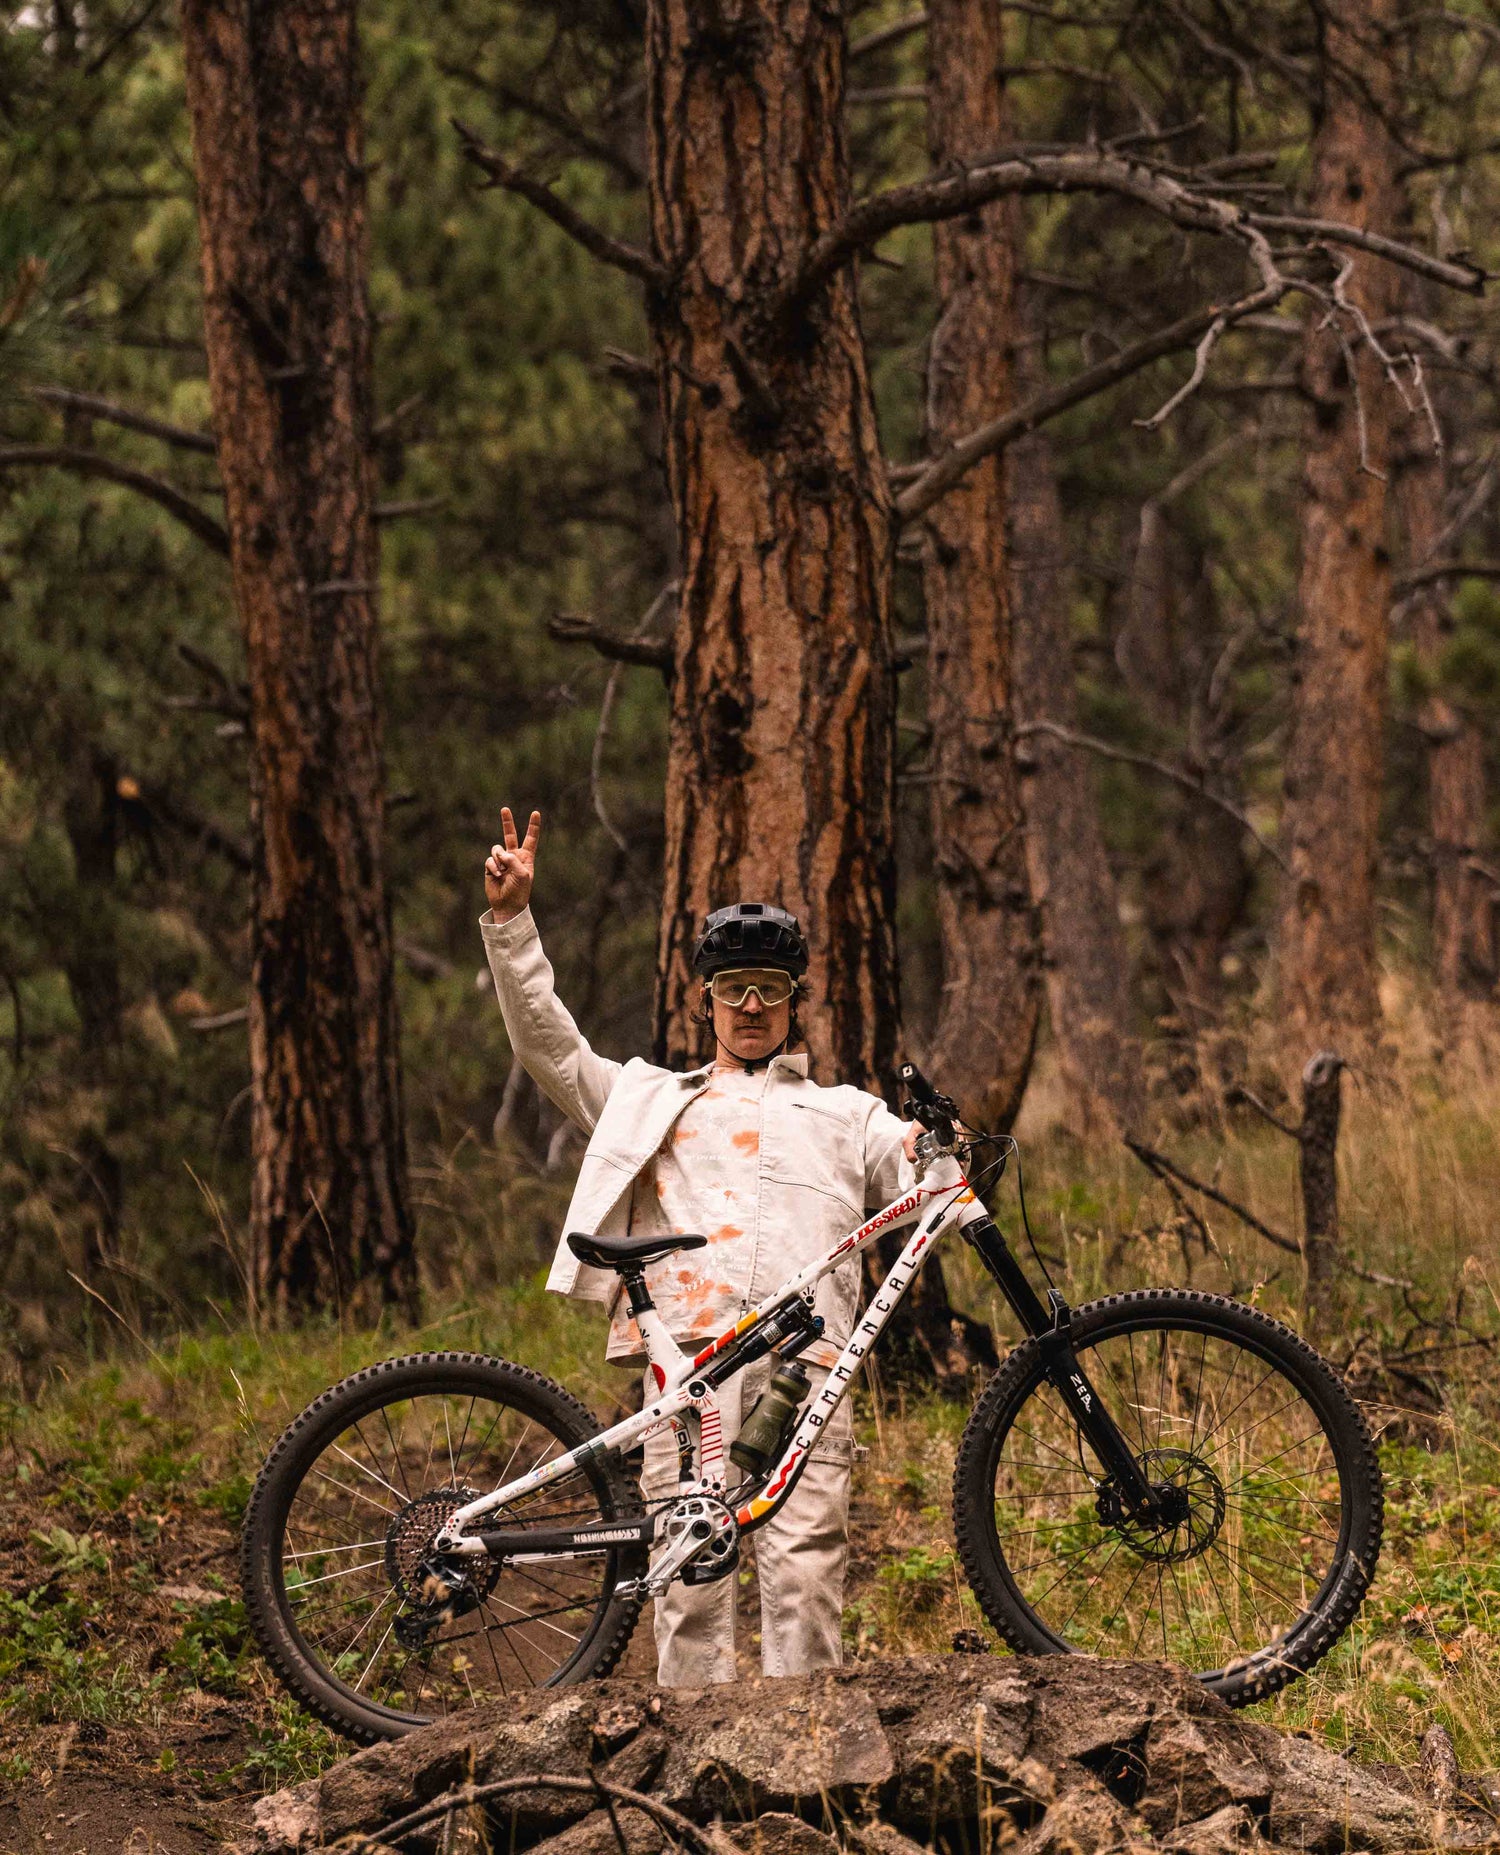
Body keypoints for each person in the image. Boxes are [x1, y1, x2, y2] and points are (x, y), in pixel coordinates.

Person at [481, 806, 920, 1687]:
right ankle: (689, 1777)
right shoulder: (647, 1097)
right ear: (706, 998)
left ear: (796, 998)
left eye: (768, 987)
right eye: (732, 989)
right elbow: (547, 1046)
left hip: (808, 1372)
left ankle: (804, 1788)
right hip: (687, 1366)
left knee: (805, 1584)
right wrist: (511, 923)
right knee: (687, 1588)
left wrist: (938, 1140)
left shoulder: (847, 1113)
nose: (751, 1006)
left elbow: (915, 1160)